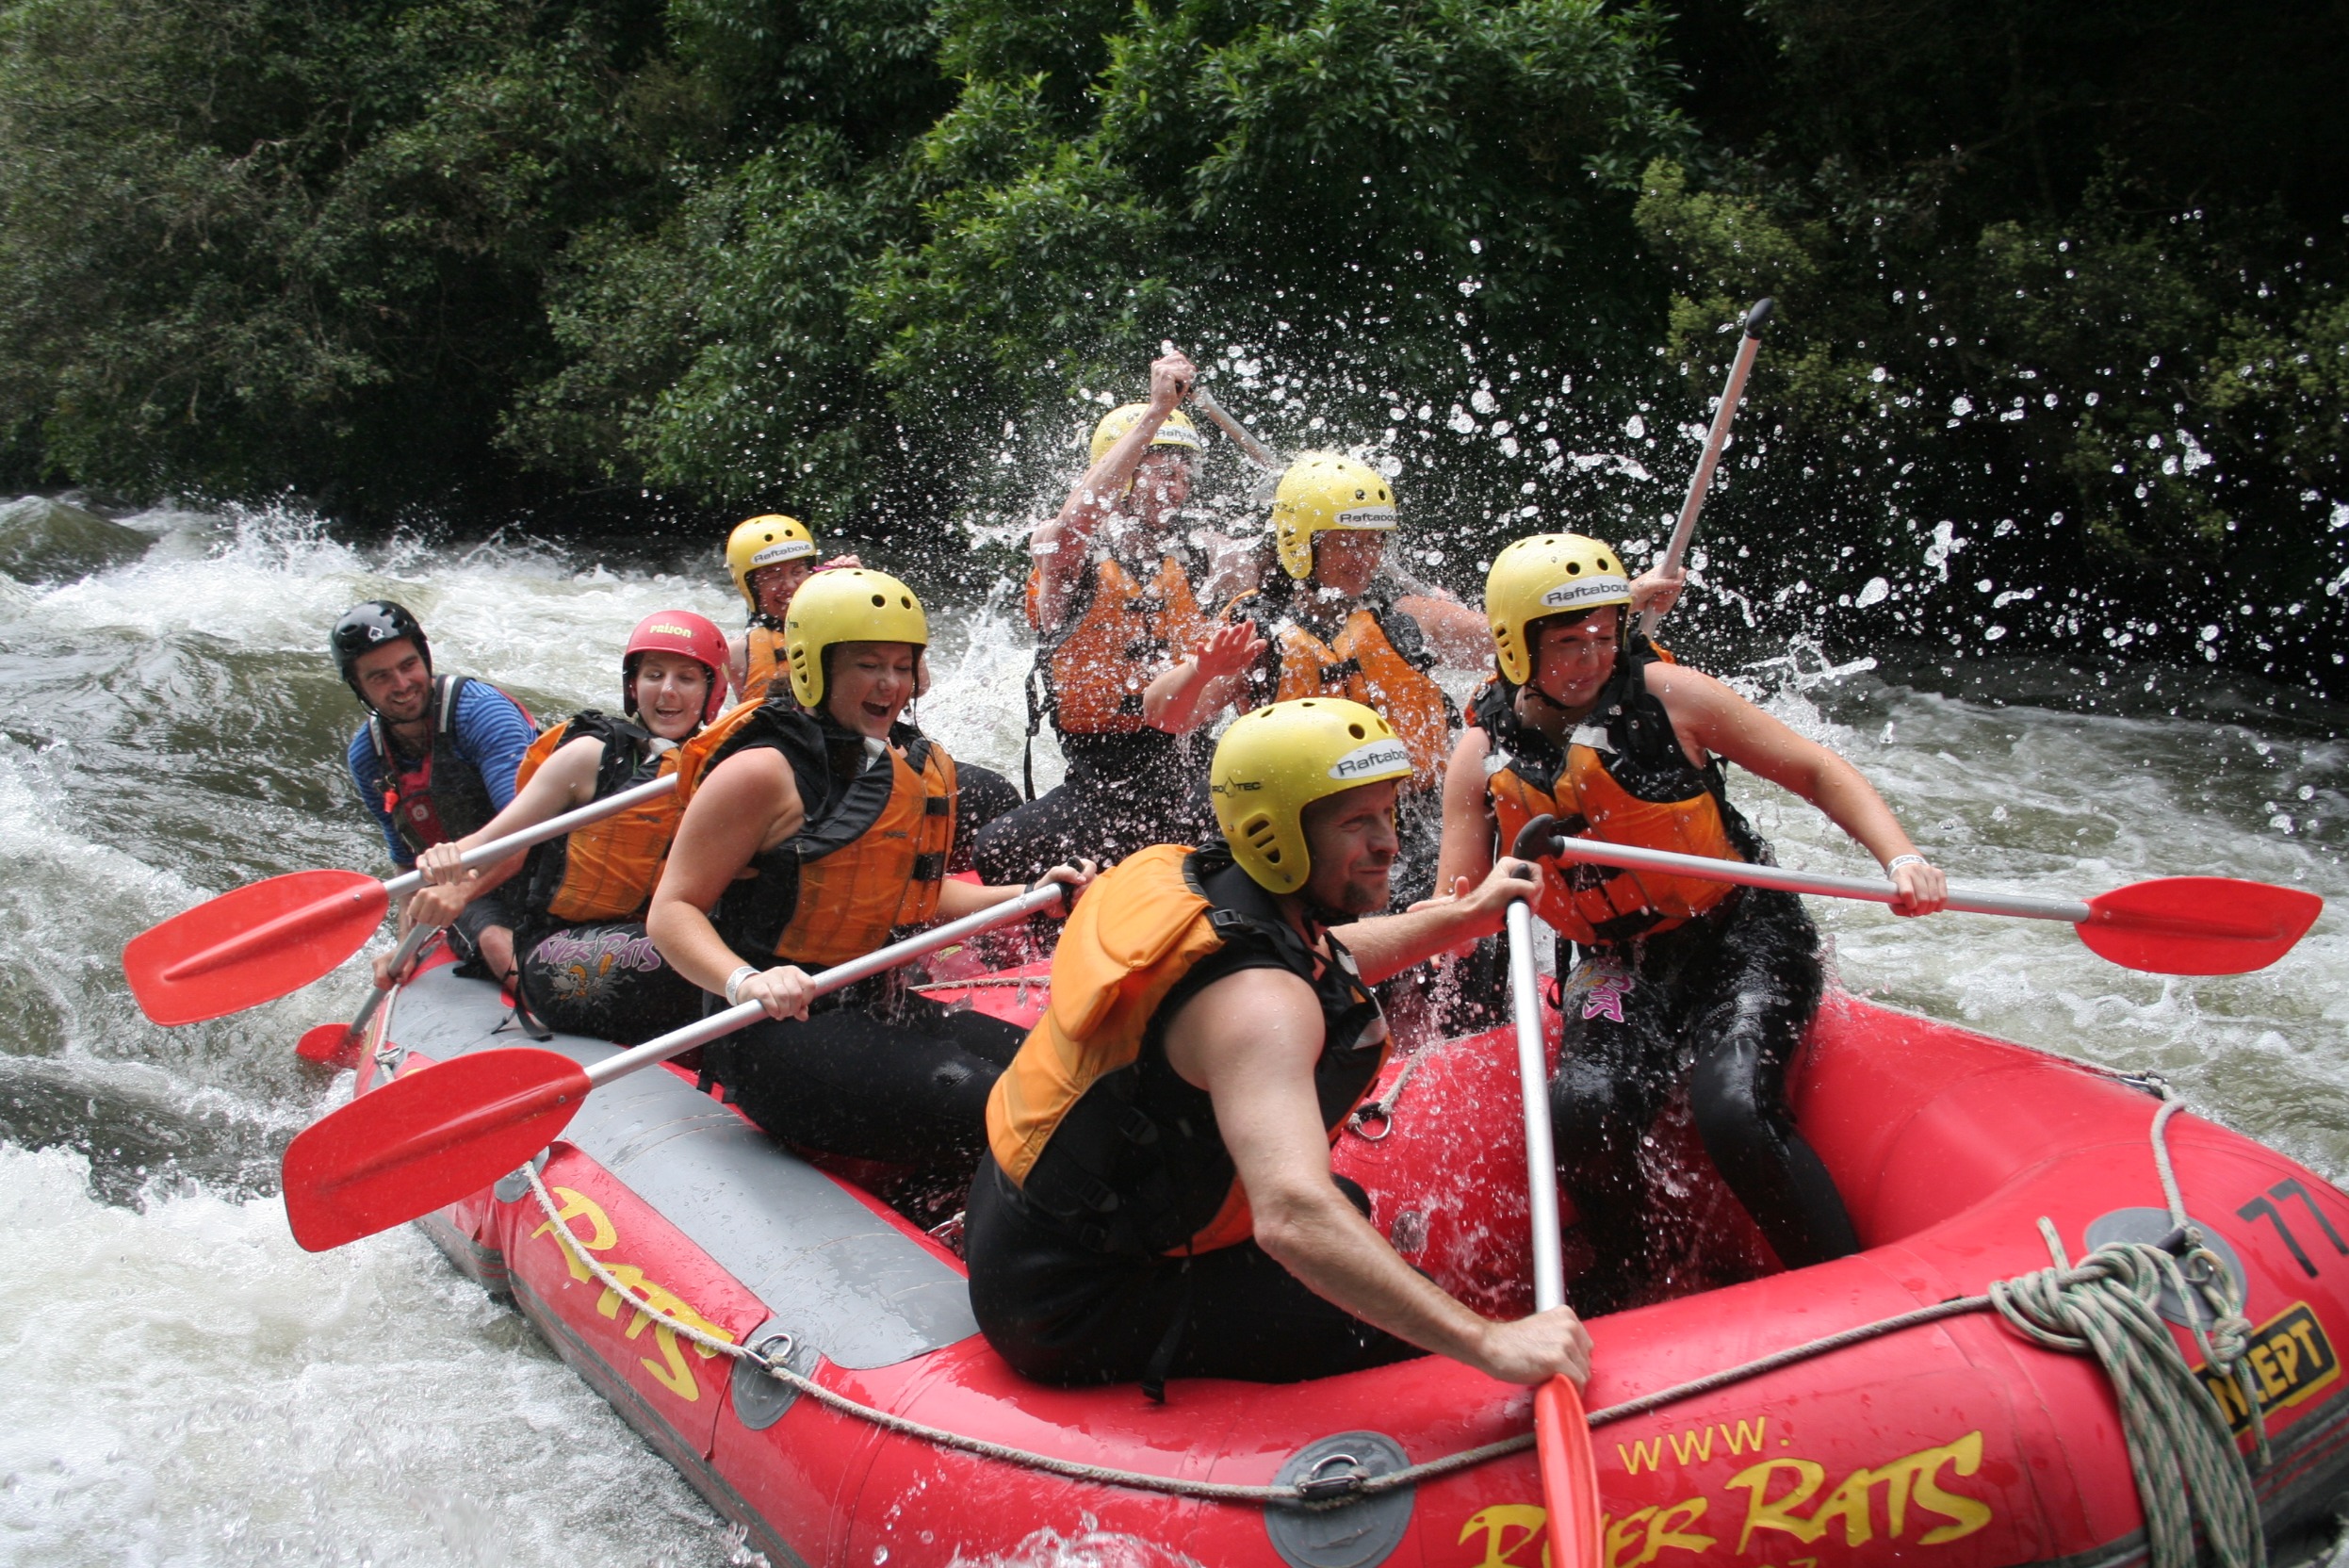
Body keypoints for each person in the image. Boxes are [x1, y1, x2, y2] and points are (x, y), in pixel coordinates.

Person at [967, 697, 1591, 1398]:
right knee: (1389, 1325)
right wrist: (1490, 1342)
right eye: (1357, 823)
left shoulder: (1201, 878)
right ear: (1273, 836)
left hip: (1030, 1228)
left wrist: (1457, 919)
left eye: (1387, 813)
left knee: (1347, 1203)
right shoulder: (1257, 1008)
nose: (1389, 843)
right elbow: (1292, 1217)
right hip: (1072, 1301)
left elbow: (1313, 955)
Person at [1437, 533, 1950, 1314]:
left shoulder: (1671, 696)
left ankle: (1858, 1295)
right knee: (1583, 1111)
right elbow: (1457, 896)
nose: (1591, 659)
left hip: (1739, 936)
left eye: (1605, 638)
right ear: (1513, 646)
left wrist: (1899, 857)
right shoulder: (1479, 753)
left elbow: (1814, 770)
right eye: (1568, 644)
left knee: (1733, 1106)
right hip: (1615, 964)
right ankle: (1638, 1272)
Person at [646, 569, 1095, 1168]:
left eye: (901, 666)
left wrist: (1032, 893)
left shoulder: (906, 763)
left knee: (1084, 1083)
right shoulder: (763, 772)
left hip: (880, 1003)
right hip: (776, 1031)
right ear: (816, 667)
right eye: (867, 665)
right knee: (1023, 1112)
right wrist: (746, 981)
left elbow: (911, 897)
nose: (889, 684)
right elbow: (672, 912)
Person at [1143, 452, 1490, 905]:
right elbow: (1164, 716)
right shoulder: (1258, 629)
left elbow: (1506, 641)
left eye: (1372, 541)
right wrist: (1201, 670)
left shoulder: (1406, 615)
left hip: (1413, 824)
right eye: (1346, 541)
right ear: (1300, 542)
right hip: (1306, 831)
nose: (1363, 557)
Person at [972, 350, 1248, 884]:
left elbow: (1298, 570)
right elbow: (1070, 528)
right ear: (1120, 472)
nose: (1176, 486)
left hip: (1192, 765)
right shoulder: (1061, 553)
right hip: (1102, 780)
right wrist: (1154, 415)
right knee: (998, 847)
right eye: (1160, 470)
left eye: (1183, 473)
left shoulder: (1209, 554)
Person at [399, 612, 729, 1041]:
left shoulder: (720, 768)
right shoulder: (591, 755)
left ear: (711, 691)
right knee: (680, 955)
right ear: (634, 685)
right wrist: (450, 860)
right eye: (654, 675)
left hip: (649, 929)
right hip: (556, 951)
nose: (667, 690)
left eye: (686, 678)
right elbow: (495, 841)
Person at [724, 512, 1020, 864]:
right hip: (808, 765)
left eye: (797, 571)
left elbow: (919, 685)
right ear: (749, 586)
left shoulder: (849, 622)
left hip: (876, 752)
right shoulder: (739, 652)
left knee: (994, 792)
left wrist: (867, 597)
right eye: (772, 576)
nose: (788, 585)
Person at [333, 600, 537, 988]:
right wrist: (404, 945)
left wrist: (461, 890)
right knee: (495, 943)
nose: (401, 685)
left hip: (544, 861)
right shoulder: (367, 757)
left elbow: (525, 834)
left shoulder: (482, 713)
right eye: (379, 677)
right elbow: (408, 866)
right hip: (475, 889)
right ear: (359, 686)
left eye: (408, 666)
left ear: (424, 659)